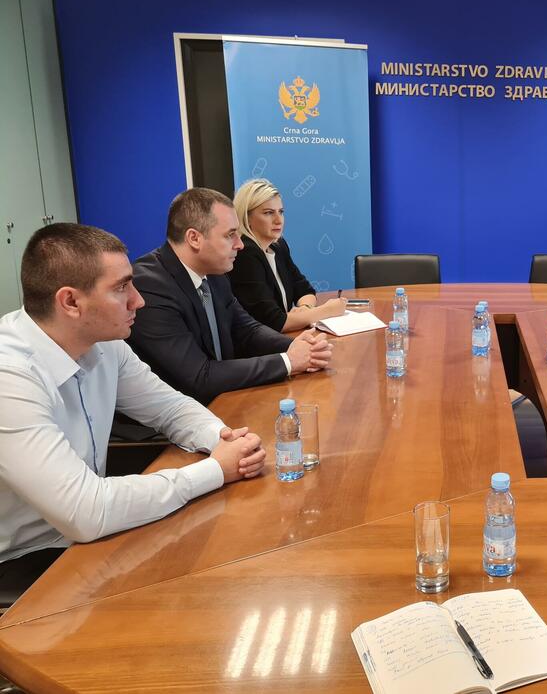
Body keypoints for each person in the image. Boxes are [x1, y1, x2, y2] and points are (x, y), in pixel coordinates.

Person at [0, 223, 265, 596]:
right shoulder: (10, 377)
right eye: (121, 287)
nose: (138, 300)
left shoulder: (103, 341)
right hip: (24, 559)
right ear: (71, 302)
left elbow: (169, 407)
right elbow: (86, 512)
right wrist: (216, 470)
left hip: (86, 537)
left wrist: (223, 440)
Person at [129, 188, 331, 405]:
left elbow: (247, 330)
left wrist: (296, 346)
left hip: (222, 402)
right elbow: (199, 376)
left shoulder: (214, 272)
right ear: (194, 238)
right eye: (229, 235)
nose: (240, 244)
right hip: (178, 416)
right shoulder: (149, 286)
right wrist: (288, 361)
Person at [229, 178, 346, 331]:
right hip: (259, 343)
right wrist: (328, 310)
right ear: (246, 217)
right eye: (268, 213)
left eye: (281, 212)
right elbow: (274, 322)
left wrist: (305, 308)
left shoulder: (278, 246)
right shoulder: (245, 254)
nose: (279, 220)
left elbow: (304, 290)